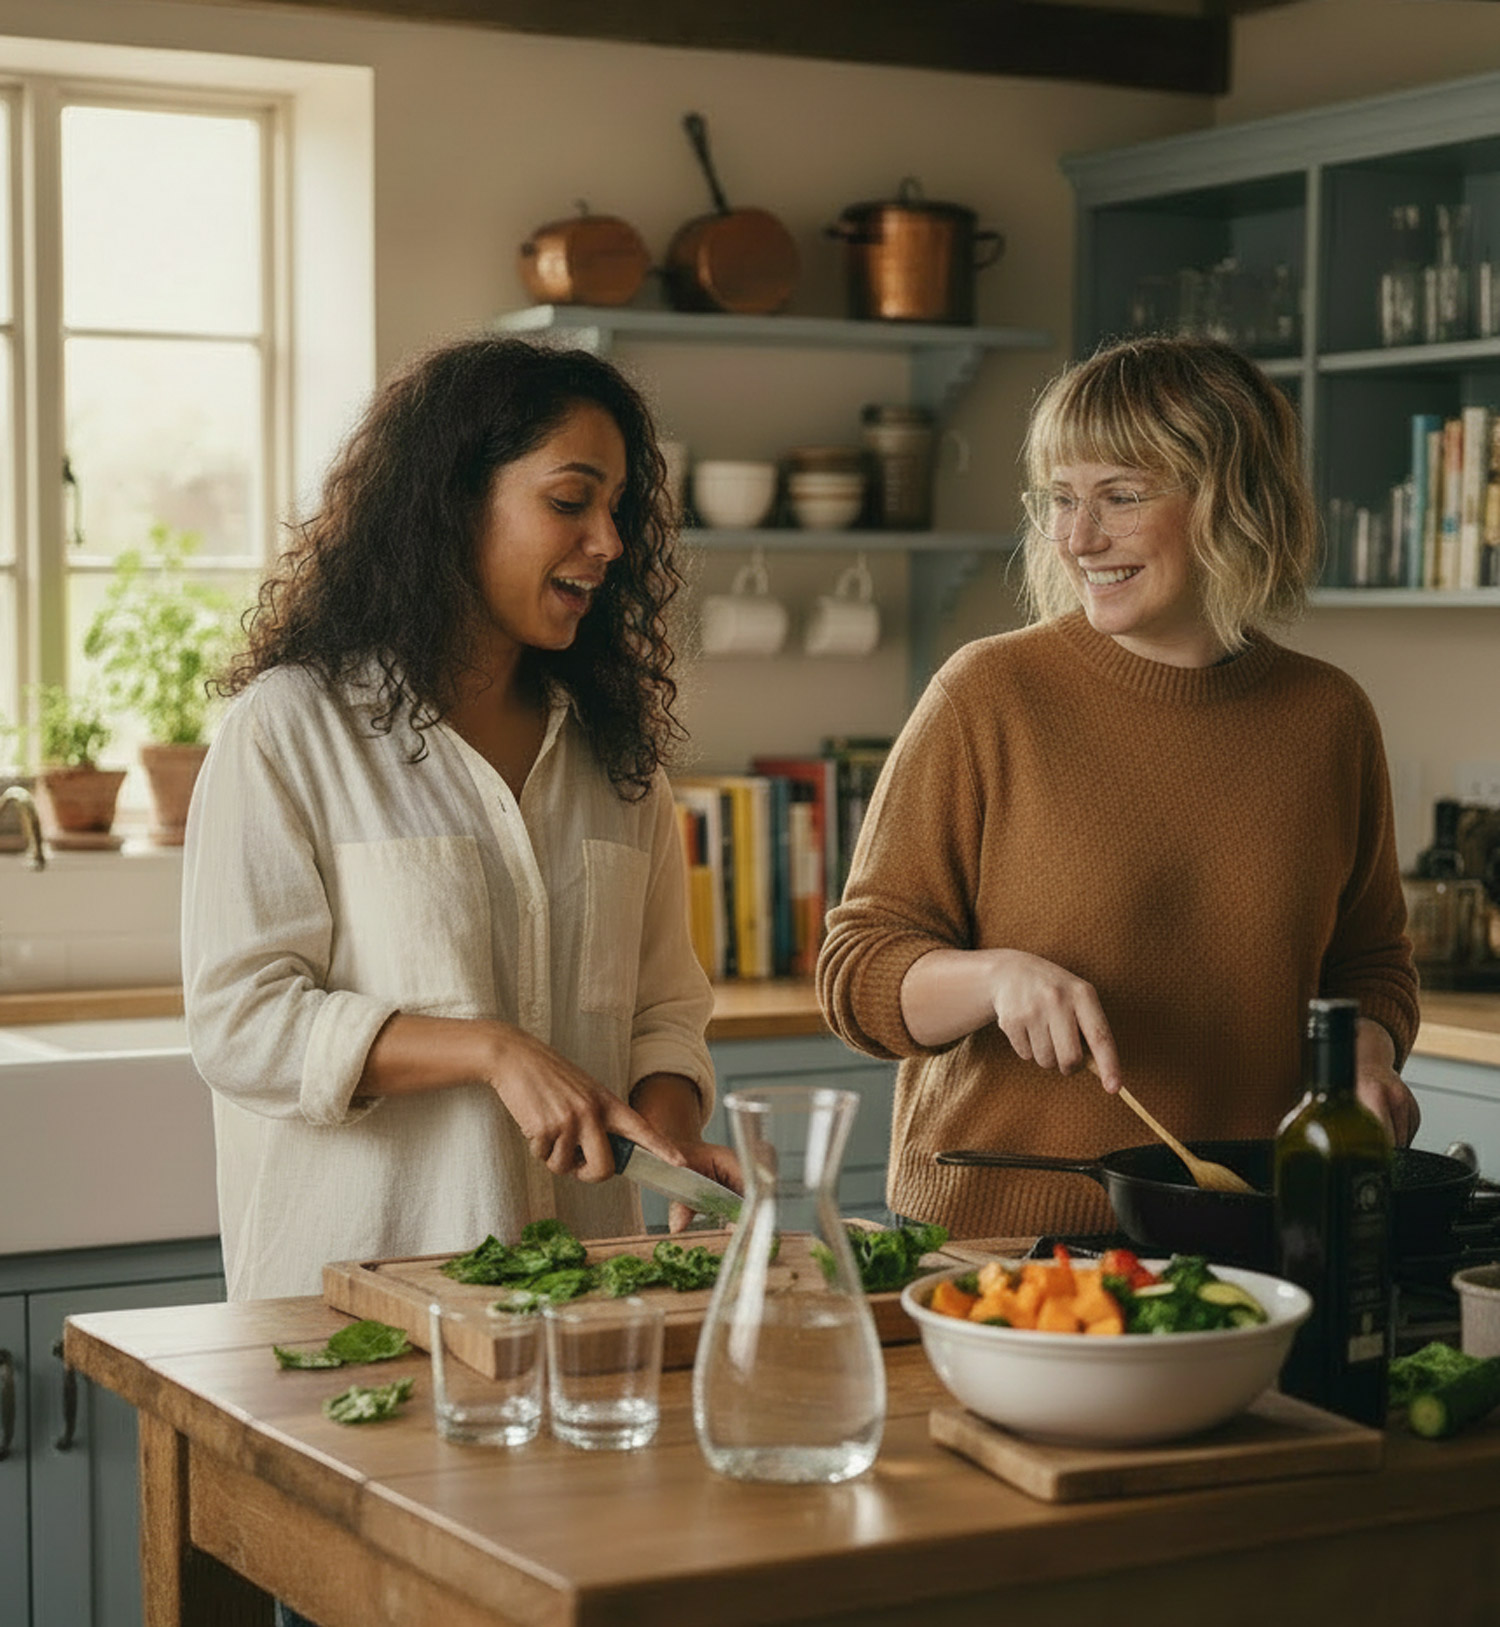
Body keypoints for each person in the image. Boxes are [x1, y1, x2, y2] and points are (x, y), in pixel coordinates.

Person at [816, 335, 1420, 1243]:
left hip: (1255, 1228)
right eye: (1062, 497)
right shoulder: (988, 694)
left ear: (1233, 501)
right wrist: (994, 979)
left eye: (1121, 497)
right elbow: (857, 970)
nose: (1077, 537)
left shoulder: (1329, 717)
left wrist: (1366, 1052)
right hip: (1004, 1242)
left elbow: (1370, 965)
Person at [183, 334, 738, 1307]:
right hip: (354, 1310)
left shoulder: (618, 760)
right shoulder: (292, 727)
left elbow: (663, 1009)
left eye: (616, 509)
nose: (609, 542)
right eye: (570, 502)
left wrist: (670, 1133)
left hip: (579, 1306)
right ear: (451, 503)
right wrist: (490, 1049)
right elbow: (241, 1024)